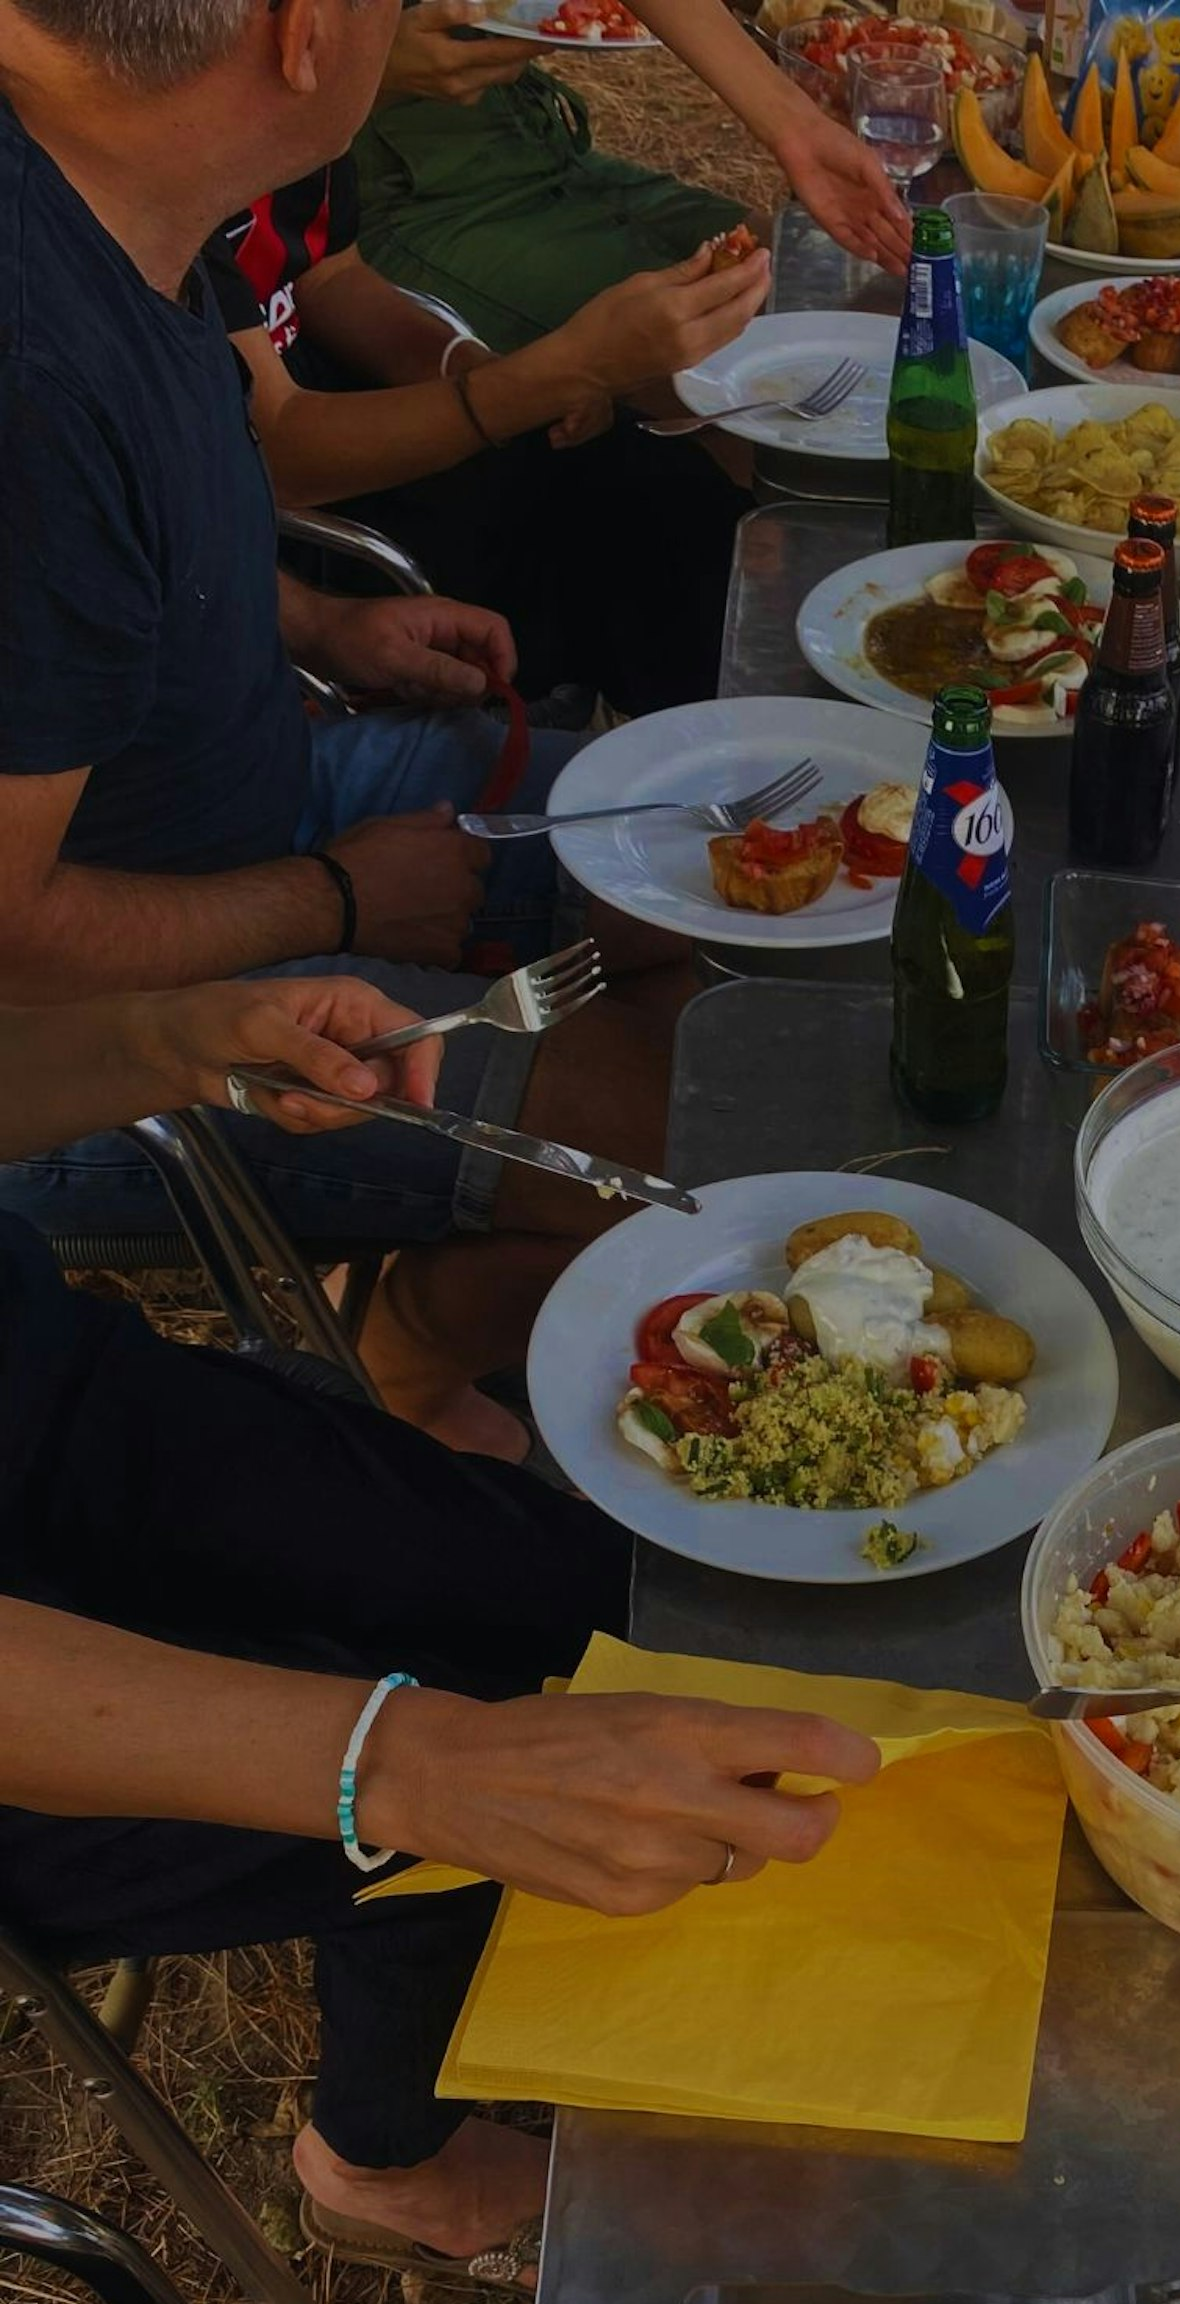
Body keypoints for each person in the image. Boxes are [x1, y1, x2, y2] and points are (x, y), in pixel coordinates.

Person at [0, 976, 879, 2282]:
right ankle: (381, 2165)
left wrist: (146, 1037)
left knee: (597, 1618)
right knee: (477, 1785)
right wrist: (416, 1762)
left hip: (48, 1395)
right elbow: (424, 1760)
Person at [0, 0, 683, 1449]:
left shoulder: (100, 171)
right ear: (309, 33)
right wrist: (344, 895)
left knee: (739, 866)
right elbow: (10, 934)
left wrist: (313, 622)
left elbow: (123, 548)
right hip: (97, 1038)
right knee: (709, 1117)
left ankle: (457, 1301)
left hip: (265, 793)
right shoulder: (30, 380)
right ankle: (409, 1337)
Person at [207, 151, 759, 716]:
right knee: (633, 546)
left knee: (666, 491)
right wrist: (558, 373)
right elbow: (278, 453)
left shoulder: (298, 116)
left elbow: (328, 275)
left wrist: (487, 370)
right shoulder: (179, 170)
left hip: (339, 418)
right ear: (295, 56)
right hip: (266, 531)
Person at [353, 0, 908, 353]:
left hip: (532, 138)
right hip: (399, 195)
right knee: (724, 356)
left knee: (816, 285)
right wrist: (374, 72)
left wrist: (796, 129)